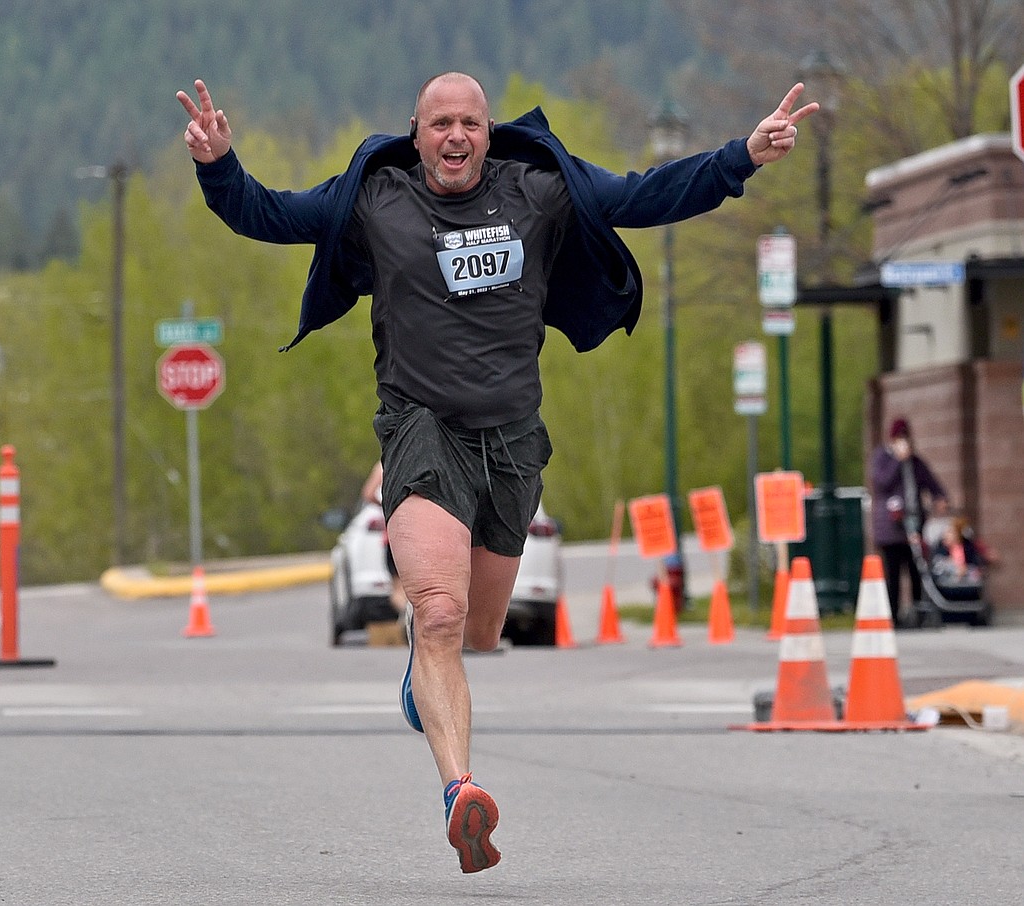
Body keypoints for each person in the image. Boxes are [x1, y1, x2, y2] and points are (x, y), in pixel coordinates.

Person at [178, 72, 818, 873]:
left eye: (470, 124)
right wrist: (218, 165)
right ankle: (460, 794)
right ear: (415, 132)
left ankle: (425, 682)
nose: (455, 137)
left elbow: (646, 194)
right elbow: (267, 213)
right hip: (420, 427)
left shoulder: (540, 192)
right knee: (439, 614)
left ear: (488, 132)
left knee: (479, 631)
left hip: (513, 436)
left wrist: (742, 157)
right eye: (440, 123)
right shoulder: (375, 199)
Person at [868, 417, 948, 624]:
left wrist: (940, 497)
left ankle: (918, 613)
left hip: (913, 525)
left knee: (916, 569)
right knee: (893, 573)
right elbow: (881, 482)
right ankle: (892, 616)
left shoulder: (915, 462)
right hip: (891, 527)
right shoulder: (882, 458)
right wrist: (897, 460)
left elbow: (931, 481)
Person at [360, 460, 408, 620]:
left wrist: (387, 505)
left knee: (397, 587)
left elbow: (368, 493)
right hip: (422, 534)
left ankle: (406, 616)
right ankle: (411, 616)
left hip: (394, 536)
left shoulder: (385, 464)